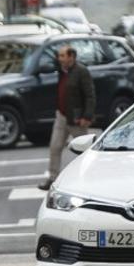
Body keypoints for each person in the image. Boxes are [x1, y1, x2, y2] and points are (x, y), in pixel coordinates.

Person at [38, 45, 95, 191]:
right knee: (55, 147)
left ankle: (87, 178)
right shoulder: (62, 71)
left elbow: (90, 95)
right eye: (59, 56)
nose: (60, 58)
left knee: (83, 150)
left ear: (71, 57)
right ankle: (53, 178)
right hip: (61, 116)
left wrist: (87, 116)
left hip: (77, 118)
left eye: (63, 56)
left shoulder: (81, 71)